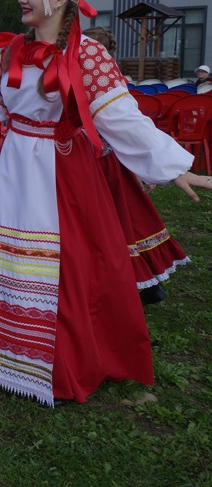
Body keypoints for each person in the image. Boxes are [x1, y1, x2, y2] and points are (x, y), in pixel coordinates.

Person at [0, 0, 209, 406]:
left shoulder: (87, 55)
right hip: (15, 167)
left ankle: (65, 364)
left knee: (69, 265)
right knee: (14, 256)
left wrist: (175, 166)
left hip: (63, 171)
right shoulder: (13, 50)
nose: (22, 0)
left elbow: (120, 118)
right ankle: (10, 357)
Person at [84, 27, 189, 304]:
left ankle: (140, 284)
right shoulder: (106, 75)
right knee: (126, 220)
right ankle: (141, 284)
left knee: (121, 222)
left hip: (104, 162)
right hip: (104, 160)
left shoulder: (100, 76)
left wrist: (146, 165)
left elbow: (122, 125)